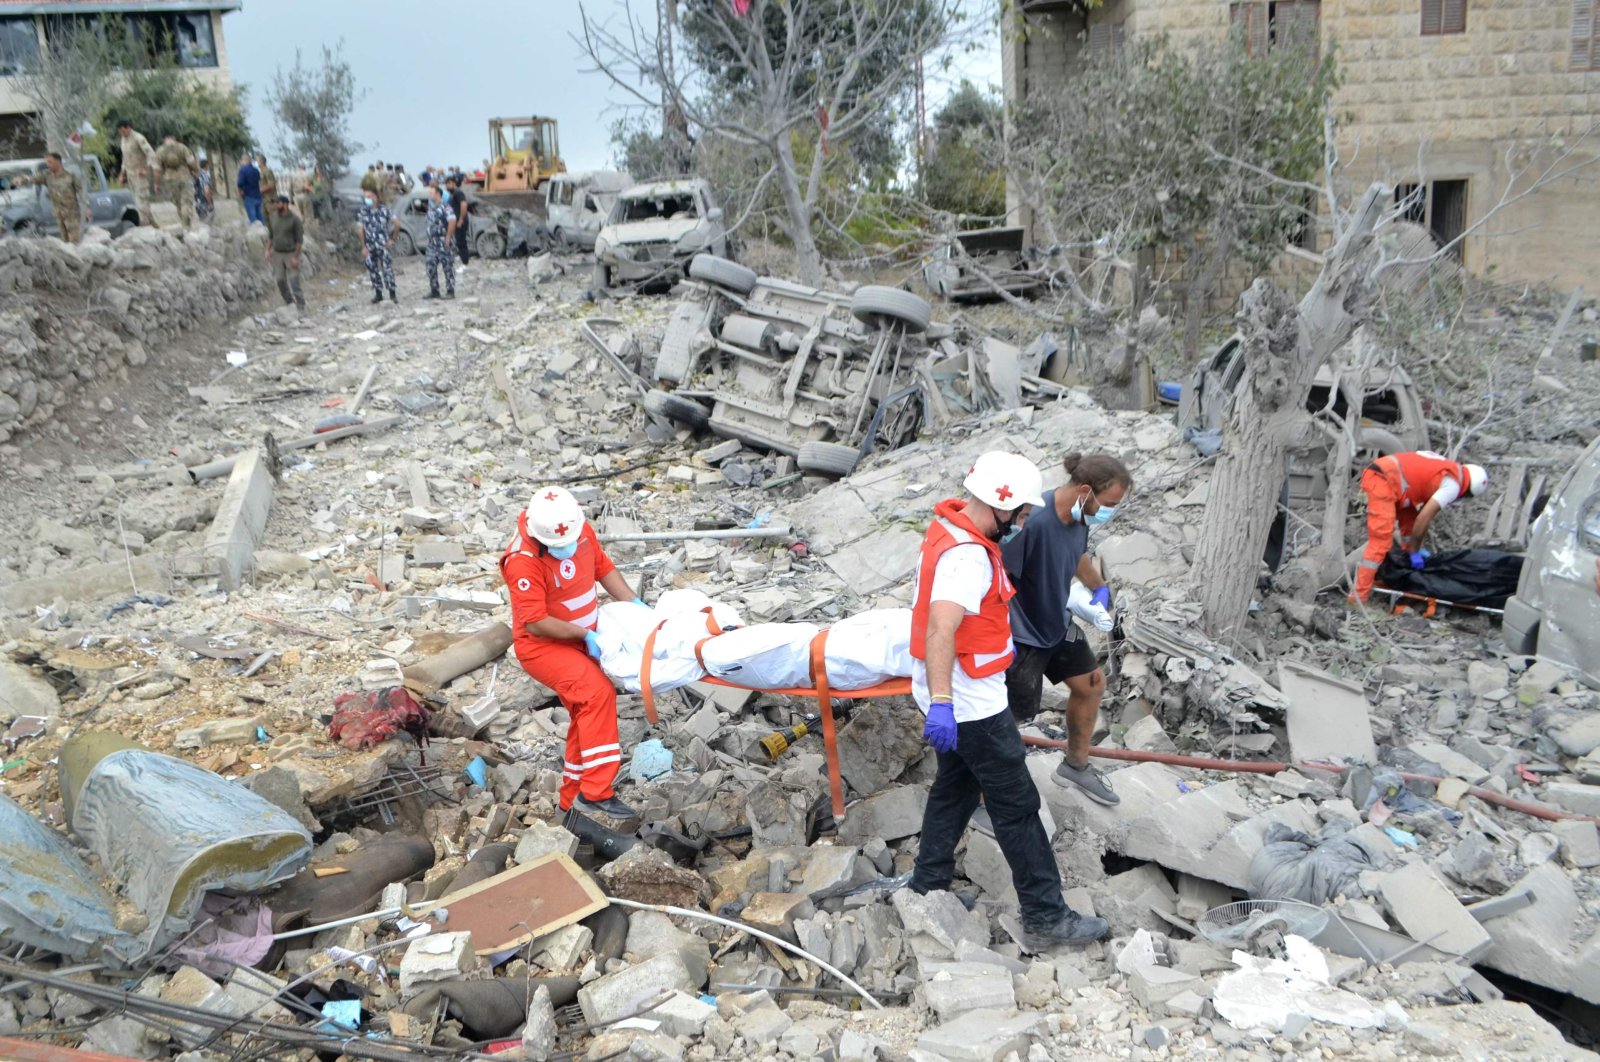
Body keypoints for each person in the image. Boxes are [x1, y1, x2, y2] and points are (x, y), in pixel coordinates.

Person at [907, 451, 1110, 953]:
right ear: (997, 506)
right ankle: (1046, 915)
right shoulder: (966, 557)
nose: (1023, 522)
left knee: (954, 785)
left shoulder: (951, 531)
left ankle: (927, 883)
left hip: (966, 694)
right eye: (1018, 515)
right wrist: (943, 702)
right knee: (1017, 805)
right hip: (970, 703)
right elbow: (940, 629)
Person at [500, 486, 643, 819]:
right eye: (557, 545)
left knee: (585, 711)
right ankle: (596, 792)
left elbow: (604, 568)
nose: (566, 546)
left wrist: (634, 604)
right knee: (596, 694)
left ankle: (571, 799)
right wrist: (585, 634)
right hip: (544, 647)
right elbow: (534, 622)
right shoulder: (522, 561)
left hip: (580, 638)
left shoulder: (577, 529)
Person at [1001, 452, 1133, 808]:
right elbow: (1000, 574)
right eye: (1109, 503)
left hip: (1055, 623)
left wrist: (1099, 587)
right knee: (1008, 719)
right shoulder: (1034, 519)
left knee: (1091, 683)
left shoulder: (1079, 516)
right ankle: (989, 798)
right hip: (1021, 633)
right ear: (1086, 490)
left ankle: (1076, 765)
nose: (1111, 510)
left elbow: (1075, 555)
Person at [1352, 451, 1488, 603]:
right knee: (1380, 541)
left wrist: (1413, 546)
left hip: (1396, 480)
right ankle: (1357, 597)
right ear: (1467, 492)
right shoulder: (1453, 486)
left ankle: (1402, 564)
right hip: (1383, 480)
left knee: (1409, 523)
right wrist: (1415, 551)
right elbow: (1424, 517)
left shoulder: (1448, 468)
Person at [264, 195, 306, 315]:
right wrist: (267, 250)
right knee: (280, 280)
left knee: (294, 280)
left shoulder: (294, 220)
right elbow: (271, 236)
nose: (276, 205)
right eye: (275, 203)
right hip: (277, 253)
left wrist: (296, 257)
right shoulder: (273, 218)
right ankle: (289, 303)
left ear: (286, 204)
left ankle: (301, 304)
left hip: (291, 253)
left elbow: (299, 240)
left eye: (279, 203)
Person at [356, 189, 399, 304]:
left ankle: (392, 294)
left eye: (369, 196)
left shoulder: (385, 210)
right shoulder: (363, 211)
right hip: (370, 245)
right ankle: (378, 294)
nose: (367, 199)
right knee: (372, 269)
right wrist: (363, 246)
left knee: (387, 269)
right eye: (366, 197)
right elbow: (360, 229)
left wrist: (392, 239)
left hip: (383, 245)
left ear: (376, 197)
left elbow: (397, 224)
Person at [115, 119, 158, 228]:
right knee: (135, 201)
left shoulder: (139, 138)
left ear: (128, 127)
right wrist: (122, 173)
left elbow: (151, 154)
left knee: (142, 201)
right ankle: (151, 225)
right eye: (120, 132)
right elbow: (125, 157)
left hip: (140, 175)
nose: (122, 133)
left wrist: (146, 169)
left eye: (123, 131)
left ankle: (145, 225)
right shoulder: (123, 139)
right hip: (130, 176)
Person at [42, 153, 87, 244]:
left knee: (75, 240)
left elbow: (82, 192)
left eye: (50, 162)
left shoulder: (70, 176)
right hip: (59, 214)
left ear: (58, 162)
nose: (48, 165)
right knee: (64, 241)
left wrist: (86, 207)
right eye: (47, 162)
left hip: (72, 214)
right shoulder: (47, 176)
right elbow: (34, 179)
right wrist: (22, 180)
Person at [156, 135, 199, 229]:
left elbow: (157, 169)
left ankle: (184, 223)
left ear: (164, 139)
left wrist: (156, 183)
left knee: (178, 202)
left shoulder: (160, 151)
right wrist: (196, 171)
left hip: (170, 178)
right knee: (186, 202)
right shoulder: (182, 147)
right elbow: (191, 162)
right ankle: (186, 225)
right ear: (174, 138)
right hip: (184, 176)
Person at [424, 183, 456, 300]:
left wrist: (448, 237)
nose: (429, 195)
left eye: (431, 193)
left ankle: (450, 291)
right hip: (432, 243)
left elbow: (452, 221)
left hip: (444, 242)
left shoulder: (446, 208)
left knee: (447, 266)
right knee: (430, 266)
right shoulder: (431, 209)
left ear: (438, 194)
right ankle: (434, 290)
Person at [444, 176, 471, 267]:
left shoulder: (458, 193)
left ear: (454, 184)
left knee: (461, 242)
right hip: (455, 221)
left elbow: (463, 205)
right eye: (446, 184)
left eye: (449, 184)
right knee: (458, 241)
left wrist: (461, 219)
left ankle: (465, 263)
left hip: (460, 221)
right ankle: (462, 257)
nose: (447, 186)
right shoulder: (452, 194)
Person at [236, 153, 262, 224]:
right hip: (258, 196)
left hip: (248, 196)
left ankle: (257, 233)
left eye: (241, 161)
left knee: (253, 219)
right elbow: (259, 181)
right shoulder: (256, 170)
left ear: (244, 160)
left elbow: (240, 183)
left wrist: (241, 192)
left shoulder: (242, 170)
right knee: (260, 217)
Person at [195, 157, 214, 221]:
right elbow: (206, 189)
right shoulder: (204, 175)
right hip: (205, 200)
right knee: (208, 221)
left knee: (202, 220)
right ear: (206, 165)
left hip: (198, 200)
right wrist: (209, 203)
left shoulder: (198, 174)